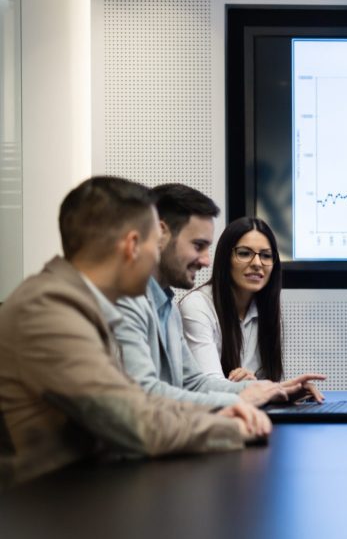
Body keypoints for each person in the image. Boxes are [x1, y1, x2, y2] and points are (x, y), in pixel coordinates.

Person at [0, 177, 270, 488]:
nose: (158, 255)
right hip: (46, 508)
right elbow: (129, 417)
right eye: (155, 242)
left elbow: (134, 401)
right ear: (131, 246)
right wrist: (229, 428)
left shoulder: (78, 302)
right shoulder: (48, 310)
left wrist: (219, 413)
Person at [114, 184, 322, 408]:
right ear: (161, 234)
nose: (205, 260)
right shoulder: (128, 303)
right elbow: (148, 395)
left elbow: (194, 383)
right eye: (198, 245)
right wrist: (241, 400)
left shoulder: (168, 308)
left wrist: (274, 390)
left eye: (266, 256)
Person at [180, 216, 284, 382]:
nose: (257, 263)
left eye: (266, 255)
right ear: (225, 259)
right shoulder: (196, 305)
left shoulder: (265, 307)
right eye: (244, 253)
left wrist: (289, 392)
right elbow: (210, 385)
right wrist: (252, 386)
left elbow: (268, 381)